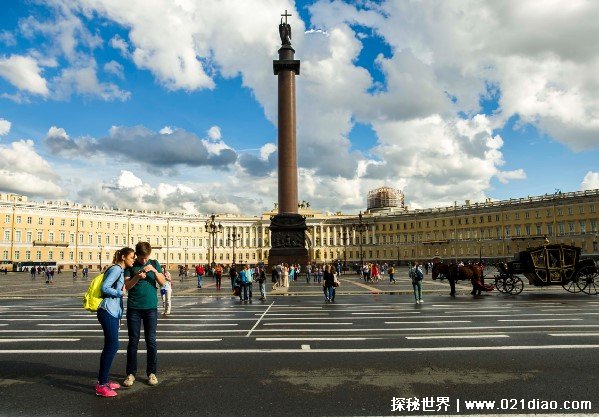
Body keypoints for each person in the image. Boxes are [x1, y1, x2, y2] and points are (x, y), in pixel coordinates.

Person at [123, 242, 166, 388]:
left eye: (146, 258)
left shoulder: (154, 263)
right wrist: (137, 277)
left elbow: (163, 282)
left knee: (151, 340)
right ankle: (131, 373)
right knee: (133, 341)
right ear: (136, 255)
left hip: (151, 308)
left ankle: (152, 373)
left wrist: (154, 271)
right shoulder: (131, 266)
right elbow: (126, 287)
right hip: (134, 308)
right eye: (141, 258)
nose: (144, 261)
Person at [95, 247, 134, 397]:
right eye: (131, 257)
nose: (133, 259)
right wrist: (120, 292)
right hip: (107, 311)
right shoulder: (117, 269)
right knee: (112, 345)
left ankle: (104, 380)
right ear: (123, 257)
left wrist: (118, 316)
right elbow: (105, 288)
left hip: (112, 312)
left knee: (110, 346)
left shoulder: (120, 270)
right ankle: (101, 385)